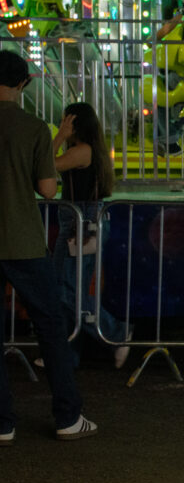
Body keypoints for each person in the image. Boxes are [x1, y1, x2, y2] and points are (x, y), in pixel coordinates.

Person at [0, 50, 97, 443]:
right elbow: (46, 188)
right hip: (23, 241)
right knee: (51, 327)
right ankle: (66, 417)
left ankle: (3, 424)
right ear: (23, 84)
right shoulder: (34, 128)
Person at [51, 102, 131, 369]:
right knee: (70, 288)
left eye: (65, 121)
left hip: (81, 224)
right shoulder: (90, 150)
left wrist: (60, 136)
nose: (62, 125)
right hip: (79, 223)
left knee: (66, 290)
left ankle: (116, 331)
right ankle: (67, 353)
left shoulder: (81, 151)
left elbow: (46, 165)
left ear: (75, 123)